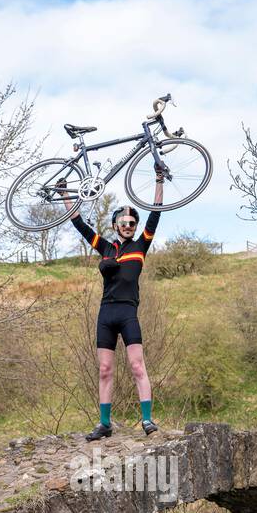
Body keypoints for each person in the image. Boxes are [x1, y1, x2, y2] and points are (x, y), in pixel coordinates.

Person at [62, 168, 165, 440]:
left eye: (132, 222)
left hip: (128, 313)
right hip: (106, 314)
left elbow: (156, 213)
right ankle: (105, 423)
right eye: (124, 222)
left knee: (137, 366)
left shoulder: (140, 246)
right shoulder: (106, 248)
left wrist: (159, 180)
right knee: (105, 369)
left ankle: (146, 420)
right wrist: (65, 195)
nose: (129, 226)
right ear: (115, 225)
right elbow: (79, 225)